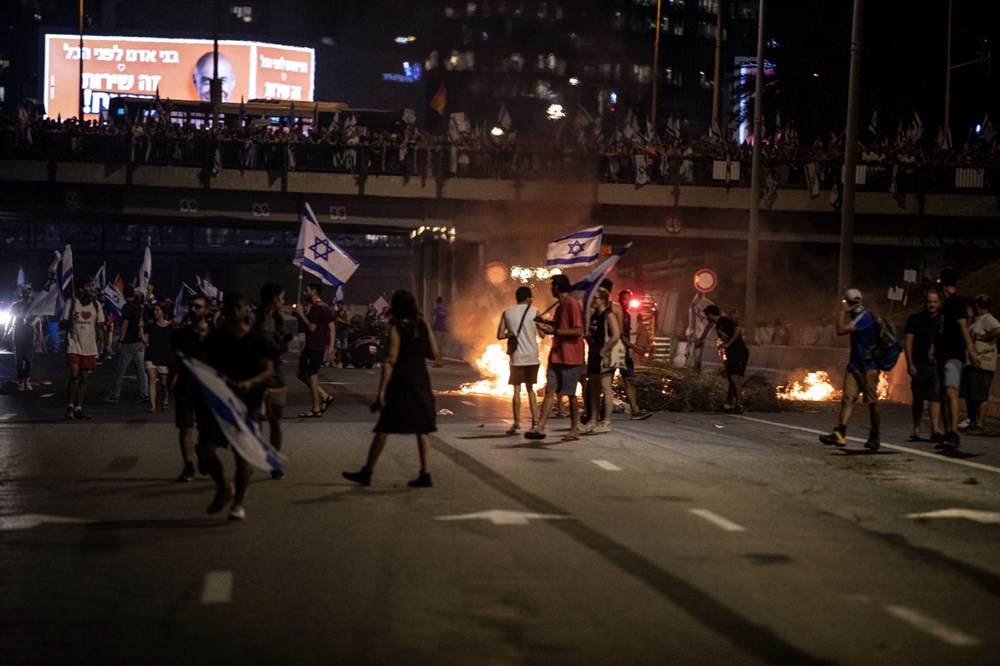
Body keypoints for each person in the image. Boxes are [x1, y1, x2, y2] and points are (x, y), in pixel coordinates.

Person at [343, 290, 440, 488]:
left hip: (401, 382)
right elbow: (434, 354)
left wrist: (381, 391)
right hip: (421, 382)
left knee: (385, 426)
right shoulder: (422, 325)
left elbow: (390, 360)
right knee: (422, 428)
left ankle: (367, 472)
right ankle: (425, 473)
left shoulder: (396, 327)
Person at [198, 292, 274, 521]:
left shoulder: (257, 338)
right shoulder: (217, 337)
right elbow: (204, 363)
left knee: (243, 458)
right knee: (205, 449)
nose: (234, 311)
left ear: (246, 310)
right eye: (230, 307)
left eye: (239, 307)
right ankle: (223, 486)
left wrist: (250, 383)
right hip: (220, 402)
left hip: (247, 405)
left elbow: (268, 369)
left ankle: (238, 502)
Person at [525, 274, 585, 442]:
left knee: (571, 395)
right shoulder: (560, 306)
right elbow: (559, 325)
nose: (551, 289)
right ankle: (540, 427)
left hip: (571, 358)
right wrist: (543, 321)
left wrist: (555, 331)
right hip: (557, 356)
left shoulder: (572, 304)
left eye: (552, 286)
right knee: (550, 391)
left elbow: (577, 331)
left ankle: (574, 429)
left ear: (557, 287)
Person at [819, 289, 881, 450]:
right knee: (847, 399)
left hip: (869, 368)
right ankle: (841, 433)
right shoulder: (859, 317)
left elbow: (840, 330)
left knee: (872, 402)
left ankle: (875, 434)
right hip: (855, 366)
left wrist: (841, 312)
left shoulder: (864, 318)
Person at [934, 268, 979, 450]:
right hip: (944, 355)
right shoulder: (947, 305)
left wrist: (971, 352)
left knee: (951, 391)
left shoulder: (956, 303)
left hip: (953, 356)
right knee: (945, 394)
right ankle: (947, 434)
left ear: (942, 284)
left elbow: (963, 328)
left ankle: (953, 433)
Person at [170, 294, 209, 482]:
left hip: (207, 390)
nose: (195, 310)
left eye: (199, 307)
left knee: (206, 429)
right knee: (185, 427)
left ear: (206, 310)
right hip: (185, 387)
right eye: (192, 306)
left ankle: (202, 453)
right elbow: (174, 360)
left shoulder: (215, 335)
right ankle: (188, 465)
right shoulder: (180, 335)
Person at [257, 283, 292, 479]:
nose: (284, 301)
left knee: (276, 423)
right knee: (255, 423)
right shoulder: (255, 318)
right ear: (273, 298)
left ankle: (274, 463)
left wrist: (283, 344)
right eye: (282, 297)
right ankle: (253, 458)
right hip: (257, 377)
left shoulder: (279, 319)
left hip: (277, 377)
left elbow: (281, 349)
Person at [496, 286, 540, 435]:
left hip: (517, 358)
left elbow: (500, 335)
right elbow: (542, 334)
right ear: (528, 298)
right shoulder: (534, 312)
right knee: (530, 390)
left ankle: (516, 424)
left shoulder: (507, 312)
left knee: (516, 390)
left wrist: (512, 334)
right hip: (532, 357)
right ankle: (535, 422)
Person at [62, 277, 106, 421]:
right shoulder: (72, 303)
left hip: (89, 345)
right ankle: (69, 405)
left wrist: (103, 344)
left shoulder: (96, 305)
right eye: (88, 285)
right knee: (74, 374)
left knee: (84, 377)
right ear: (81, 289)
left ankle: (78, 407)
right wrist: (70, 318)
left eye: (93, 285)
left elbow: (99, 326)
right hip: (73, 343)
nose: (92, 288)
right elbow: (62, 324)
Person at [903, 289, 944, 441]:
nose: (932, 305)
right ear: (925, 303)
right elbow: (908, 342)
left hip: (936, 364)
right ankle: (916, 428)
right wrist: (910, 363)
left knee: (935, 397)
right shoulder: (915, 319)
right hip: (919, 364)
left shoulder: (942, 319)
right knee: (918, 398)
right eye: (929, 302)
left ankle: (935, 428)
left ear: (939, 303)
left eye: (934, 302)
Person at [582, 288, 621, 434]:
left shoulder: (608, 315)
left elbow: (616, 335)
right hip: (593, 354)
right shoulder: (594, 315)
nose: (594, 301)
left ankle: (606, 421)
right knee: (593, 389)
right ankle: (593, 419)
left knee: (606, 388)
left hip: (604, 355)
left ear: (603, 299)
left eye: (596, 298)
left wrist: (605, 350)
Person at [293, 283, 335, 417]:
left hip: (314, 346)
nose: (304, 293)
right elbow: (332, 328)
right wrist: (331, 347)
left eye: (306, 290)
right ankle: (325, 396)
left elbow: (312, 327)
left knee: (312, 376)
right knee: (301, 374)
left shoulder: (317, 307)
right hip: (315, 346)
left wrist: (301, 314)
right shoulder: (325, 306)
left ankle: (316, 408)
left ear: (313, 292)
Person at [104, 285, 149, 404]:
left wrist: (121, 340)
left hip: (129, 342)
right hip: (139, 342)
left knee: (120, 369)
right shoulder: (139, 307)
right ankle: (144, 393)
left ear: (124, 294)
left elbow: (125, 324)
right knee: (141, 370)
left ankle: (114, 394)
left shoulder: (127, 307)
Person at [961, 294, 999, 435]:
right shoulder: (979, 320)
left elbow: (998, 329)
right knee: (971, 394)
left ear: (977, 306)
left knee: (981, 395)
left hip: (983, 364)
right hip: (974, 363)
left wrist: (983, 337)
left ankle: (979, 423)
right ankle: (972, 421)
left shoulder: (988, 319)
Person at [704, 304, 749, 414]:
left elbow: (737, 330)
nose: (706, 318)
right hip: (732, 354)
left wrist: (729, 343)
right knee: (730, 379)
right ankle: (728, 405)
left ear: (711, 314)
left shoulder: (724, 320)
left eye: (707, 316)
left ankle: (739, 404)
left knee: (735, 378)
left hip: (739, 352)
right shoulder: (718, 324)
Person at [617, 289, 652, 420]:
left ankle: (634, 410)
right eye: (624, 299)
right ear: (619, 299)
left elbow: (625, 336)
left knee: (629, 381)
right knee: (604, 382)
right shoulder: (617, 313)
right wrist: (636, 348)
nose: (627, 302)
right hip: (615, 353)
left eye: (628, 299)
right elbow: (621, 336)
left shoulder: (626, 315)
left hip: (624, 354)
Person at [142, 303, 174, 413]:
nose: (155, 312)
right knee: (151, 380)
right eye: (154, 310)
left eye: (157, 310)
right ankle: (153, 406)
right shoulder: (150, 326)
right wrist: (140, 328)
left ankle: (165, 401)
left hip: (164, 357)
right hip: (151, 355)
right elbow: (145, 340)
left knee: (164, 383)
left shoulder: (170, 327)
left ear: (162, 312)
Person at [8, 284, 36, 391]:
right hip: (18, 332)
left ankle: (27, 379)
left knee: (28, 358)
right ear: (22, 293)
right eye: (25, 292)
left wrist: (40, 334)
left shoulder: (34, 305)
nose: (27, 294)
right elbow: (10, 319)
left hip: (29, 332)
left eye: (29, 292)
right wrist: (7, 331)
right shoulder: (16, 305)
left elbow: (38, 320)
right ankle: (20, 380)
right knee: (19, 358)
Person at [432, 296, 448, 367]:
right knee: (441, 346)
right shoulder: (445, 310)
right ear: (442, 301)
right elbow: (446, 320)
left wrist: (432, 327)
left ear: (436, 302)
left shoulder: (436, 310)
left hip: (437, 329)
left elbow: (434, 319)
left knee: (436, 346)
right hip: (443, 329)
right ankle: (441, 361)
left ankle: (437, 362)